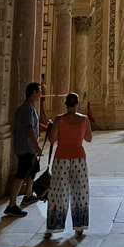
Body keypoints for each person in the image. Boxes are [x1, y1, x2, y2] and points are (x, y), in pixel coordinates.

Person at [45, 92, 92, 238]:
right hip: (79, 158)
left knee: (58, 193)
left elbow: (52, 139)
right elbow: (89, 138)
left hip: (61, 159)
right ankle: (80, 226)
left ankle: (53, 226)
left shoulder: (59, 120)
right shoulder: (84, 120)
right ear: (77, 103)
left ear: (66, 103)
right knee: (80, 192)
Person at [5, 82, 43, 218]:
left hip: (29, 147)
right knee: (21, 174)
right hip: (26, 147)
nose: (41, 94)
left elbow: (33, 124)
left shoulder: (30, 107)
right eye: (39, 91)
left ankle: (28, 195)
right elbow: (29, 128)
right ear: (33, 92)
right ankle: (11, 205)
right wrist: (36, 146)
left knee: (31, 170)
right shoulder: (26, 108)